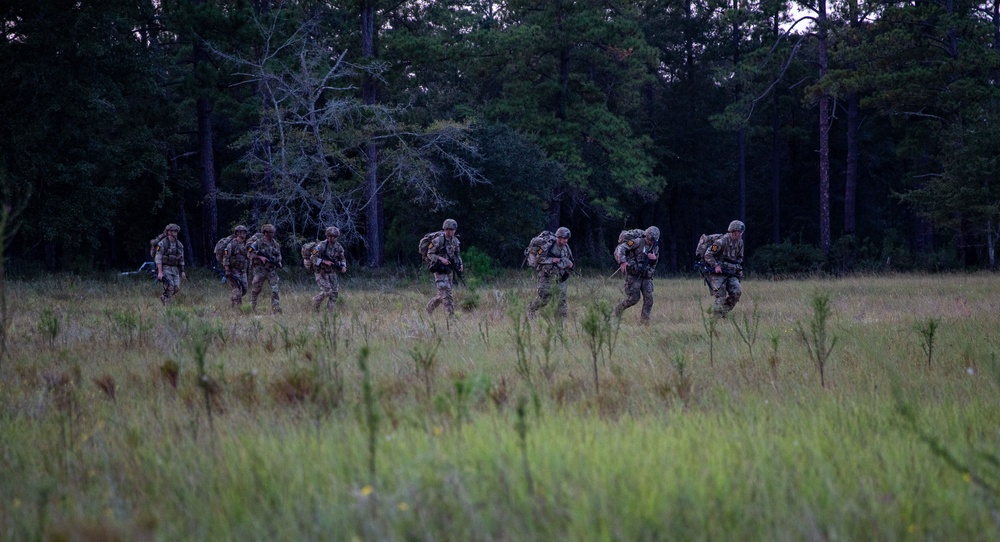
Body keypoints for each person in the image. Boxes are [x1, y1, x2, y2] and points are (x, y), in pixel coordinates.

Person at [613, 226, 660, 322]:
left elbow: (655, 262)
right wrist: (622, 261)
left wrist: (654, 259)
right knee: (633, 299)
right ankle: (617, 311)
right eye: (649, 239)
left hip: (647, 275)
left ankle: (644, 321)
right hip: (634, 274)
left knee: (649, 299)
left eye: (652, 240)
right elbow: (622, 247)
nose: (650, 242)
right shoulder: (637, 242)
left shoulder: (655, 247)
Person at [528, 226, 574, 319]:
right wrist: (552, 260)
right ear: (559, 237)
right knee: (544, 299)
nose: (566, 241)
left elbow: (569, 259)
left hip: (560, 278)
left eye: (567, 239)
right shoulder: (547, 245)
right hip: (546, 276)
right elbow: (538, 257)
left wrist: (569, 265)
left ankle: (560, 323)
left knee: (562, 301)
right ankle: (531, 309)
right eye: (564, 238)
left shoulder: (566, 248)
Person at [704, 220, 745, 318]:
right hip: (717, 273)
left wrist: (739, 269)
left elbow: (739, 258)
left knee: (737, 292)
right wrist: (716, 265)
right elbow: (708, 254)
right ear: (734, 232)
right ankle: (716, 319)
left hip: (731, 272)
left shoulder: (740, 243)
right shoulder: (720, 242)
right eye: (740, 232)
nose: (741, 234)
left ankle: (722, 313)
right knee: (720, 295)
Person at [425, 219, 463, 317]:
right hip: (439, 270)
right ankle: (452, 317)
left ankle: (429, 309)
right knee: (447, 294)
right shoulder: (438, 240)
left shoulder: (455, 241)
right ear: (444, 229)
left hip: (449, 270)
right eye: (447, 229)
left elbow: (457, 254)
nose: (450, 231)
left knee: (442, 295)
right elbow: (430, 254)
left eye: (452, 229)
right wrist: (441, 259)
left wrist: (460, 264)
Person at [248, 223, 283, 314]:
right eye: (271, 232)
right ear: (266, 233)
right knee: (256, 290)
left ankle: (275, 308)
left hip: (271, 270)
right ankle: (251, 307)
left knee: (275, 289)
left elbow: (278, 254)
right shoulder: (258, 243)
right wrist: (260, 257)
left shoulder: (275, 243)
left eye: (273, 232)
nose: (273, 234)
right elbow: (249, 254)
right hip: (260, 270)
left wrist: (279, 262)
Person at [310, 226, 347, 312]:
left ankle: (329, 312)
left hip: (332, 272)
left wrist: (343, 266)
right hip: (321, 272)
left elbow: (342, 258)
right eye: (330, 236)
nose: (332, 238)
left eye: (334, 236)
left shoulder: (339, 247)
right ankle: (315, 305)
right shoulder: (320, 246)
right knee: (327, 291)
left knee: (334, 294)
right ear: (327, 236)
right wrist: (323, 261)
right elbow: (312, 257)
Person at [154, 223, 187, 305]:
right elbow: (158, 258)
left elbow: (181, 258)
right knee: (170, 286)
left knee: (177, 287)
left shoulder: (179, 244)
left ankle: (164, 297)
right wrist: (160, 272)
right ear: (169, 232)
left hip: (175, 268)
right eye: (173, 231)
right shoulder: (163, 243)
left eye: (176, 231)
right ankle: (168, 306)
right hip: (165, 267)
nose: (175, 233)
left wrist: (182, 271)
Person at [222, 225, 250, 308]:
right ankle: (236, 307)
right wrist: (227, 270)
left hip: (243, 270)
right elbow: (225, 257)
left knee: (244, 288)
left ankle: (236, 302)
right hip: (234, 270)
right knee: (236, 288)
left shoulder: (246, 244)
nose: (244, 234)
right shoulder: (231, 244)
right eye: (242, 232)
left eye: (245, 232)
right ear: (238, 233)